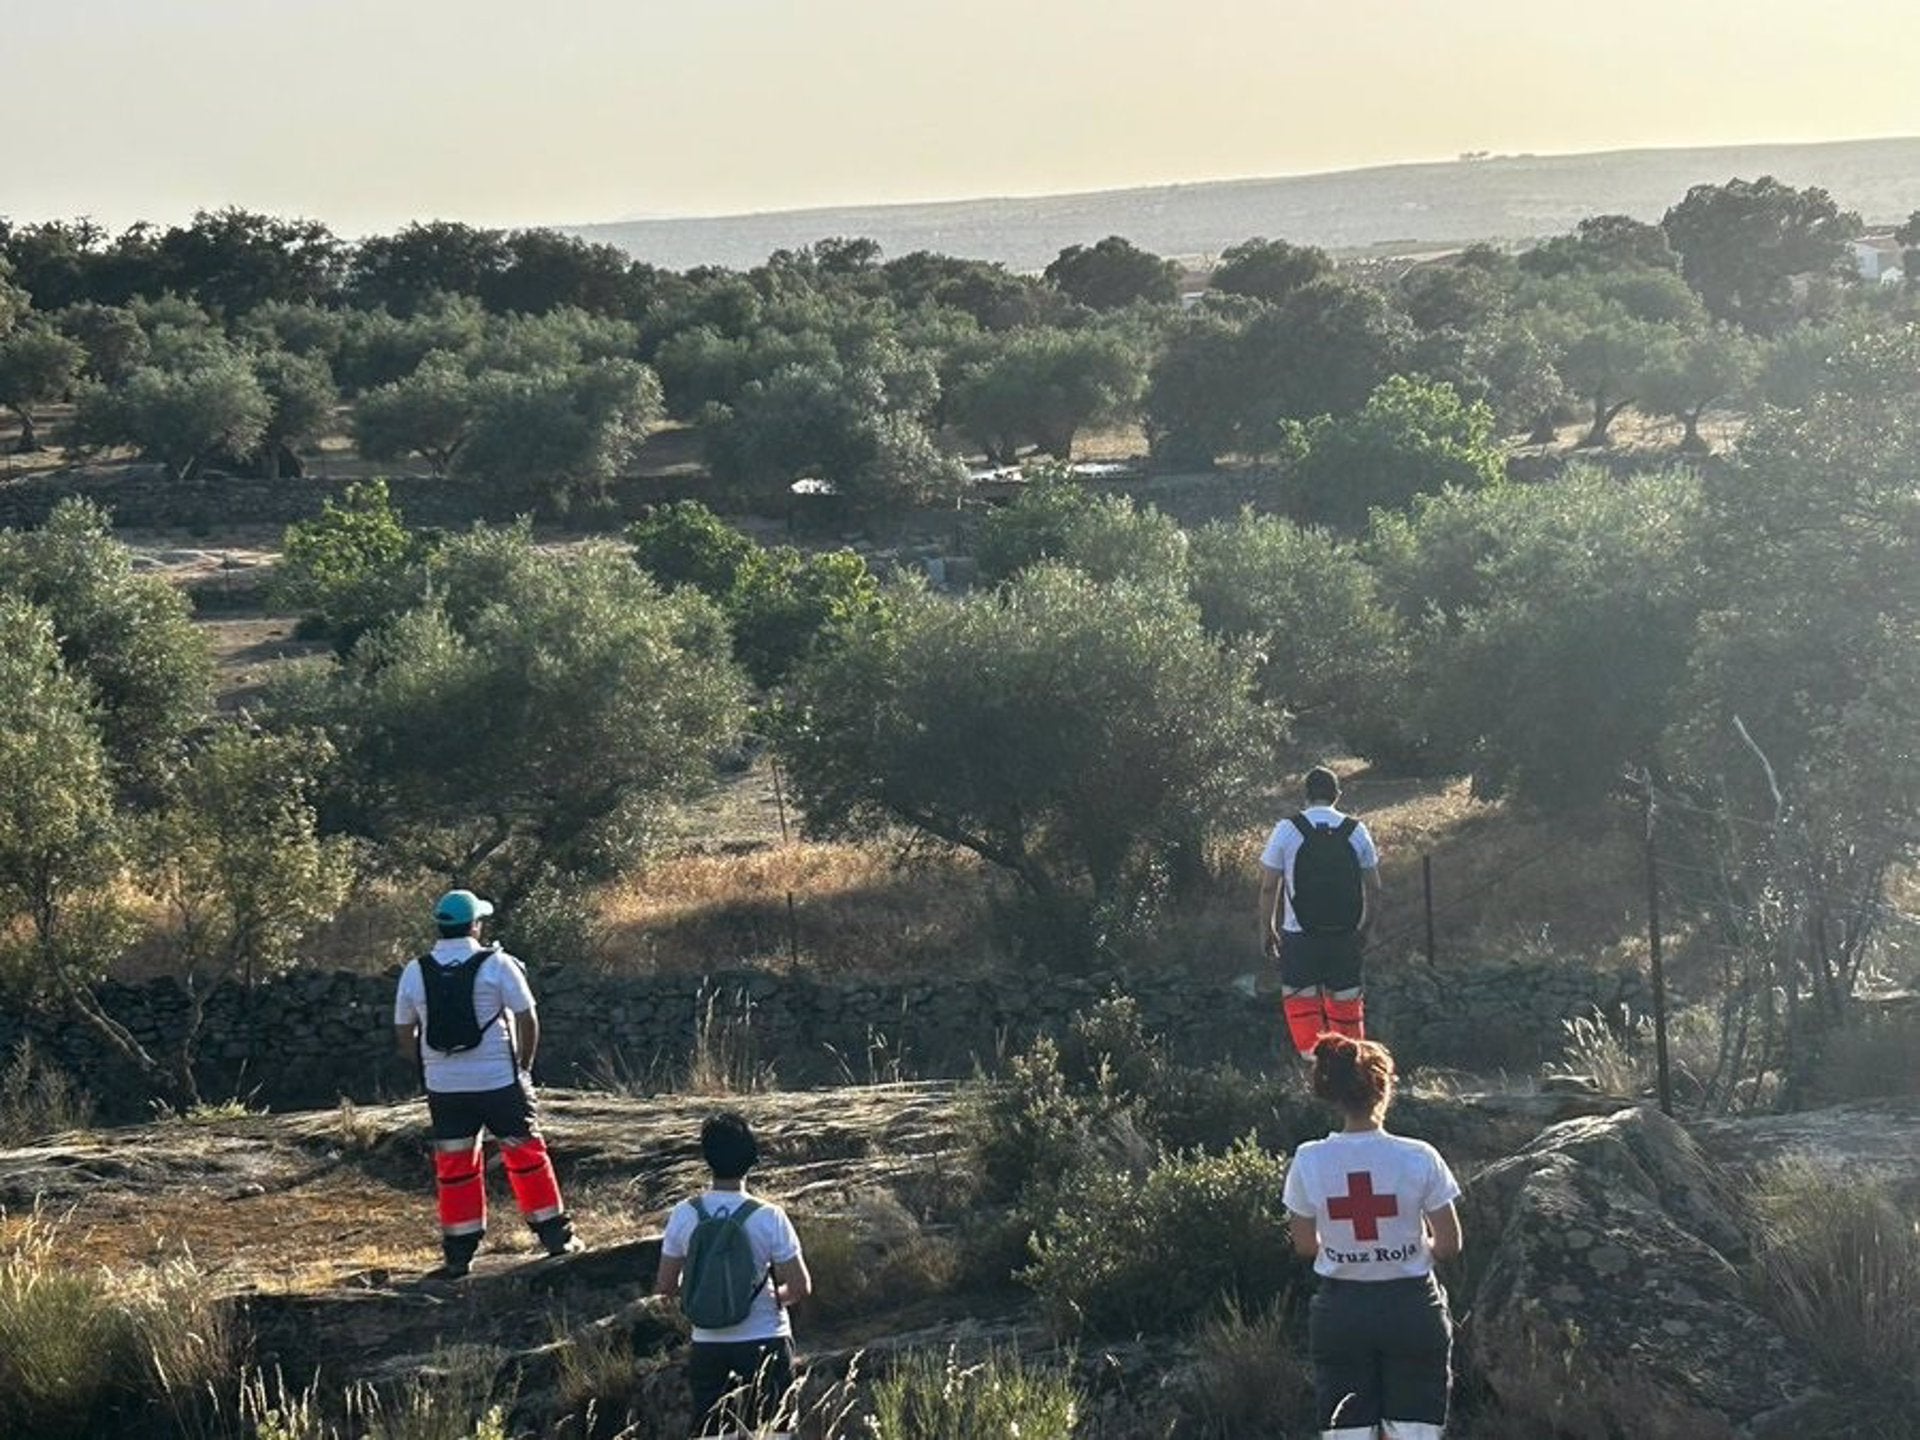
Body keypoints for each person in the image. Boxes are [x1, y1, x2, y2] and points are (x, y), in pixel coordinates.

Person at [392, 888, 579, 1278]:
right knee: (526, 1155)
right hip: (498, 1081)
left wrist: (429, 1071)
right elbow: (527, 1018)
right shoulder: (498, 965)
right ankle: (555, 1237)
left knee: (455, 1166)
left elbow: (403, 1033)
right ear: (475, 924)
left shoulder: (415, 969)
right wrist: (523, 1067)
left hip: (445, 1087)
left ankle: (459, 1254)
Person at [1286, 1034, 1462, 1440]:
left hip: (1341, 1310)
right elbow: (1449, 1244)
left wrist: (1353, 1253)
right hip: (1412, 1307)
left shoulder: (1309, 1159)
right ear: (1385, 1089)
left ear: (1332, 1094)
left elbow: (1304, 1244)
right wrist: (1412, 1251)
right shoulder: (1419, 1156)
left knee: (1346, 1430)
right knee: (1414, 1431)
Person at [656, 1112, 812, 1439]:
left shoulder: (685, 1214)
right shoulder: (770, 1217)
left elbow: (666, 1287)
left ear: (707, 1158)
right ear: (752, 1159)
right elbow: (800, 1286)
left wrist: (705, 1298)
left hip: (708, 1344)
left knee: (714, 1434)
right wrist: (775, 1299)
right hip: (766, 1338)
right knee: (774, 1433)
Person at [1259, 764, 1382, 1059]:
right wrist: (1366, 929)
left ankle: (1315, 1071)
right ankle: (1350, 1074)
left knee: (1303, 1008)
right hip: (1344, 937)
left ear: (1305, 795)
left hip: (1299, 937)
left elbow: (1267, 887)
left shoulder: (1287, 830)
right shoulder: (1356, 831)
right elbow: (1375, 888)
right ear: (1337, 795)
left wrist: (1268, 929)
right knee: (1346, 1006)